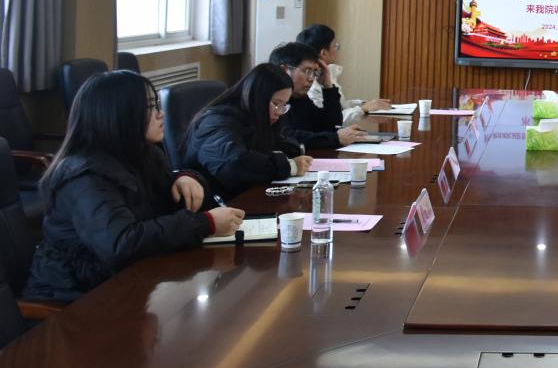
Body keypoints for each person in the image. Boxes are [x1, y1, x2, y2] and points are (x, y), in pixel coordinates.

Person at [23, 71, 244, 303]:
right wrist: (206, 223)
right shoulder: (84, 176)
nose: (160, 114)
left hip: (125, 279)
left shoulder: (143, 153)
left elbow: (167, 209)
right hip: (75, 297)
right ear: (118, 114)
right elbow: (121, 244)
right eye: (150, 107)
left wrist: (187, 178)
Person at [183, 63, 314, 200]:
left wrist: (293, 150)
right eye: (276, 104)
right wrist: (290, 166)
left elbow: (278, 142)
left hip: (244, 194)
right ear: (257, 98)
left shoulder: (255, 117)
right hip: (217, 202)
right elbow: (234, 163)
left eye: (284, 105)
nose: (279, 112)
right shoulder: (217, 121)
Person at [270, 41, 368, 148]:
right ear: (284, 70)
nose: (311, 78)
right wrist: (336, 138)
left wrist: (327, 86)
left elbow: (331, 126)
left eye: (315, 73)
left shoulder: (301, 97)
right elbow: (285, 136)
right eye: (307, 71)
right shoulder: (271, 99)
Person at [295, 24, 390, 123]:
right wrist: (362, 109)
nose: (337, 49)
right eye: (335, 46)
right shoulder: (311, 84)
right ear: (323, 53)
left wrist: (362, 104)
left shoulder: (325, 73)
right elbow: (327, 120)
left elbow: (339, 107)